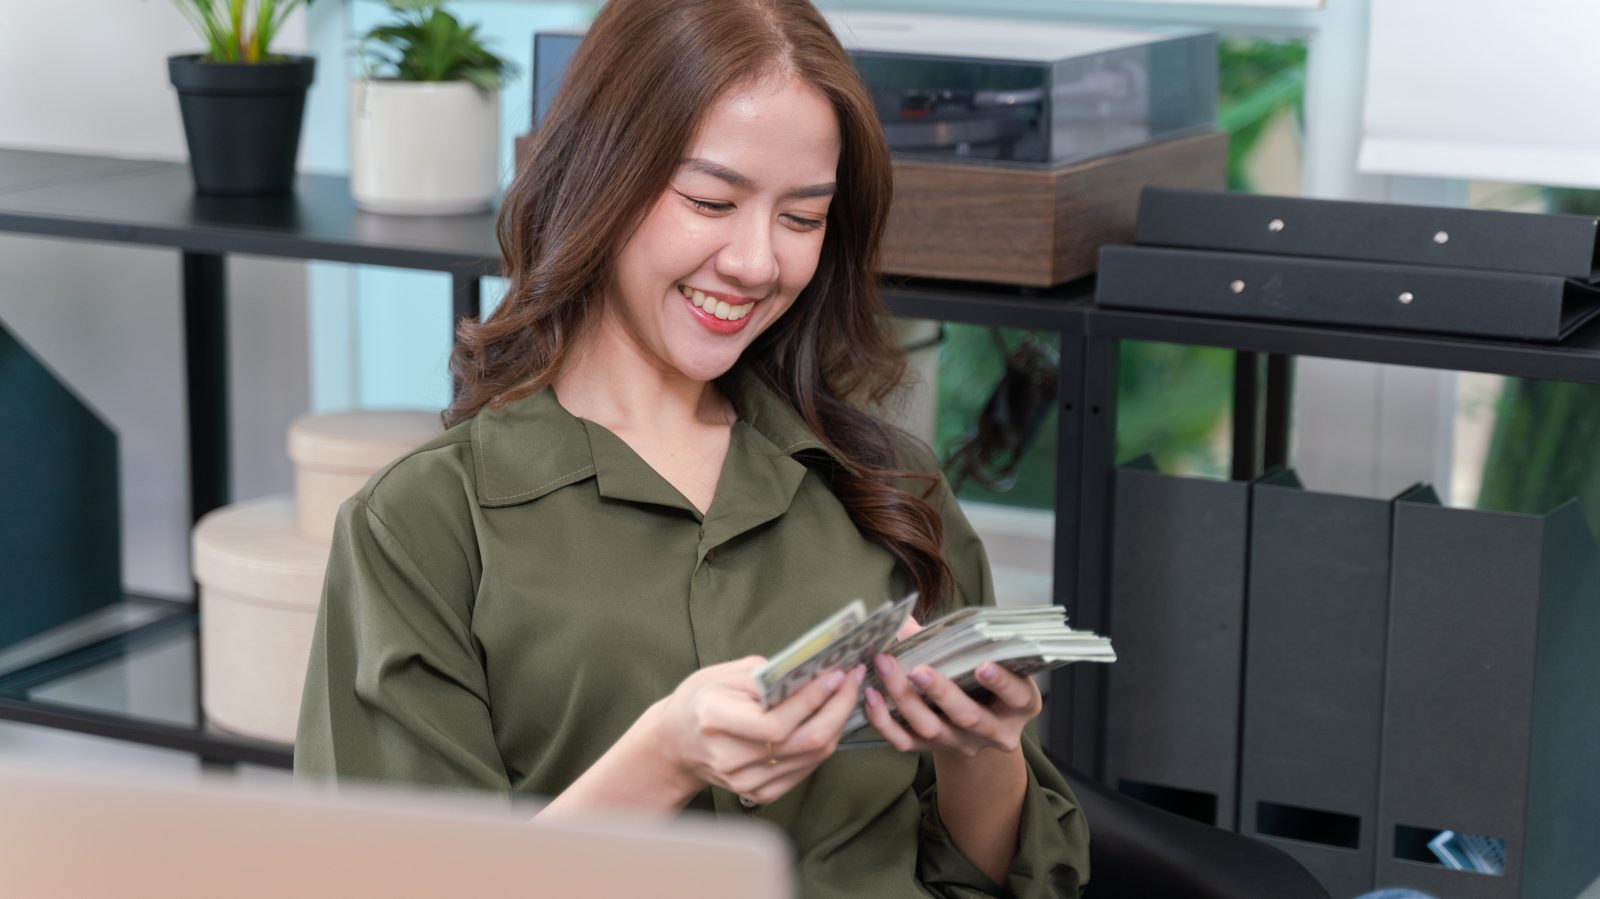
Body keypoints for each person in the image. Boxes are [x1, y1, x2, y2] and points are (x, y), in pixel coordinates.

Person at [294, 0, 1090, 895]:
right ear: (598, 179)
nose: (757, 263)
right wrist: (666, 758)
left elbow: (996, 878)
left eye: (802, 218)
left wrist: (979, 752)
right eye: (711, 200)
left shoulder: (891, 486)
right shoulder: (423, 527)